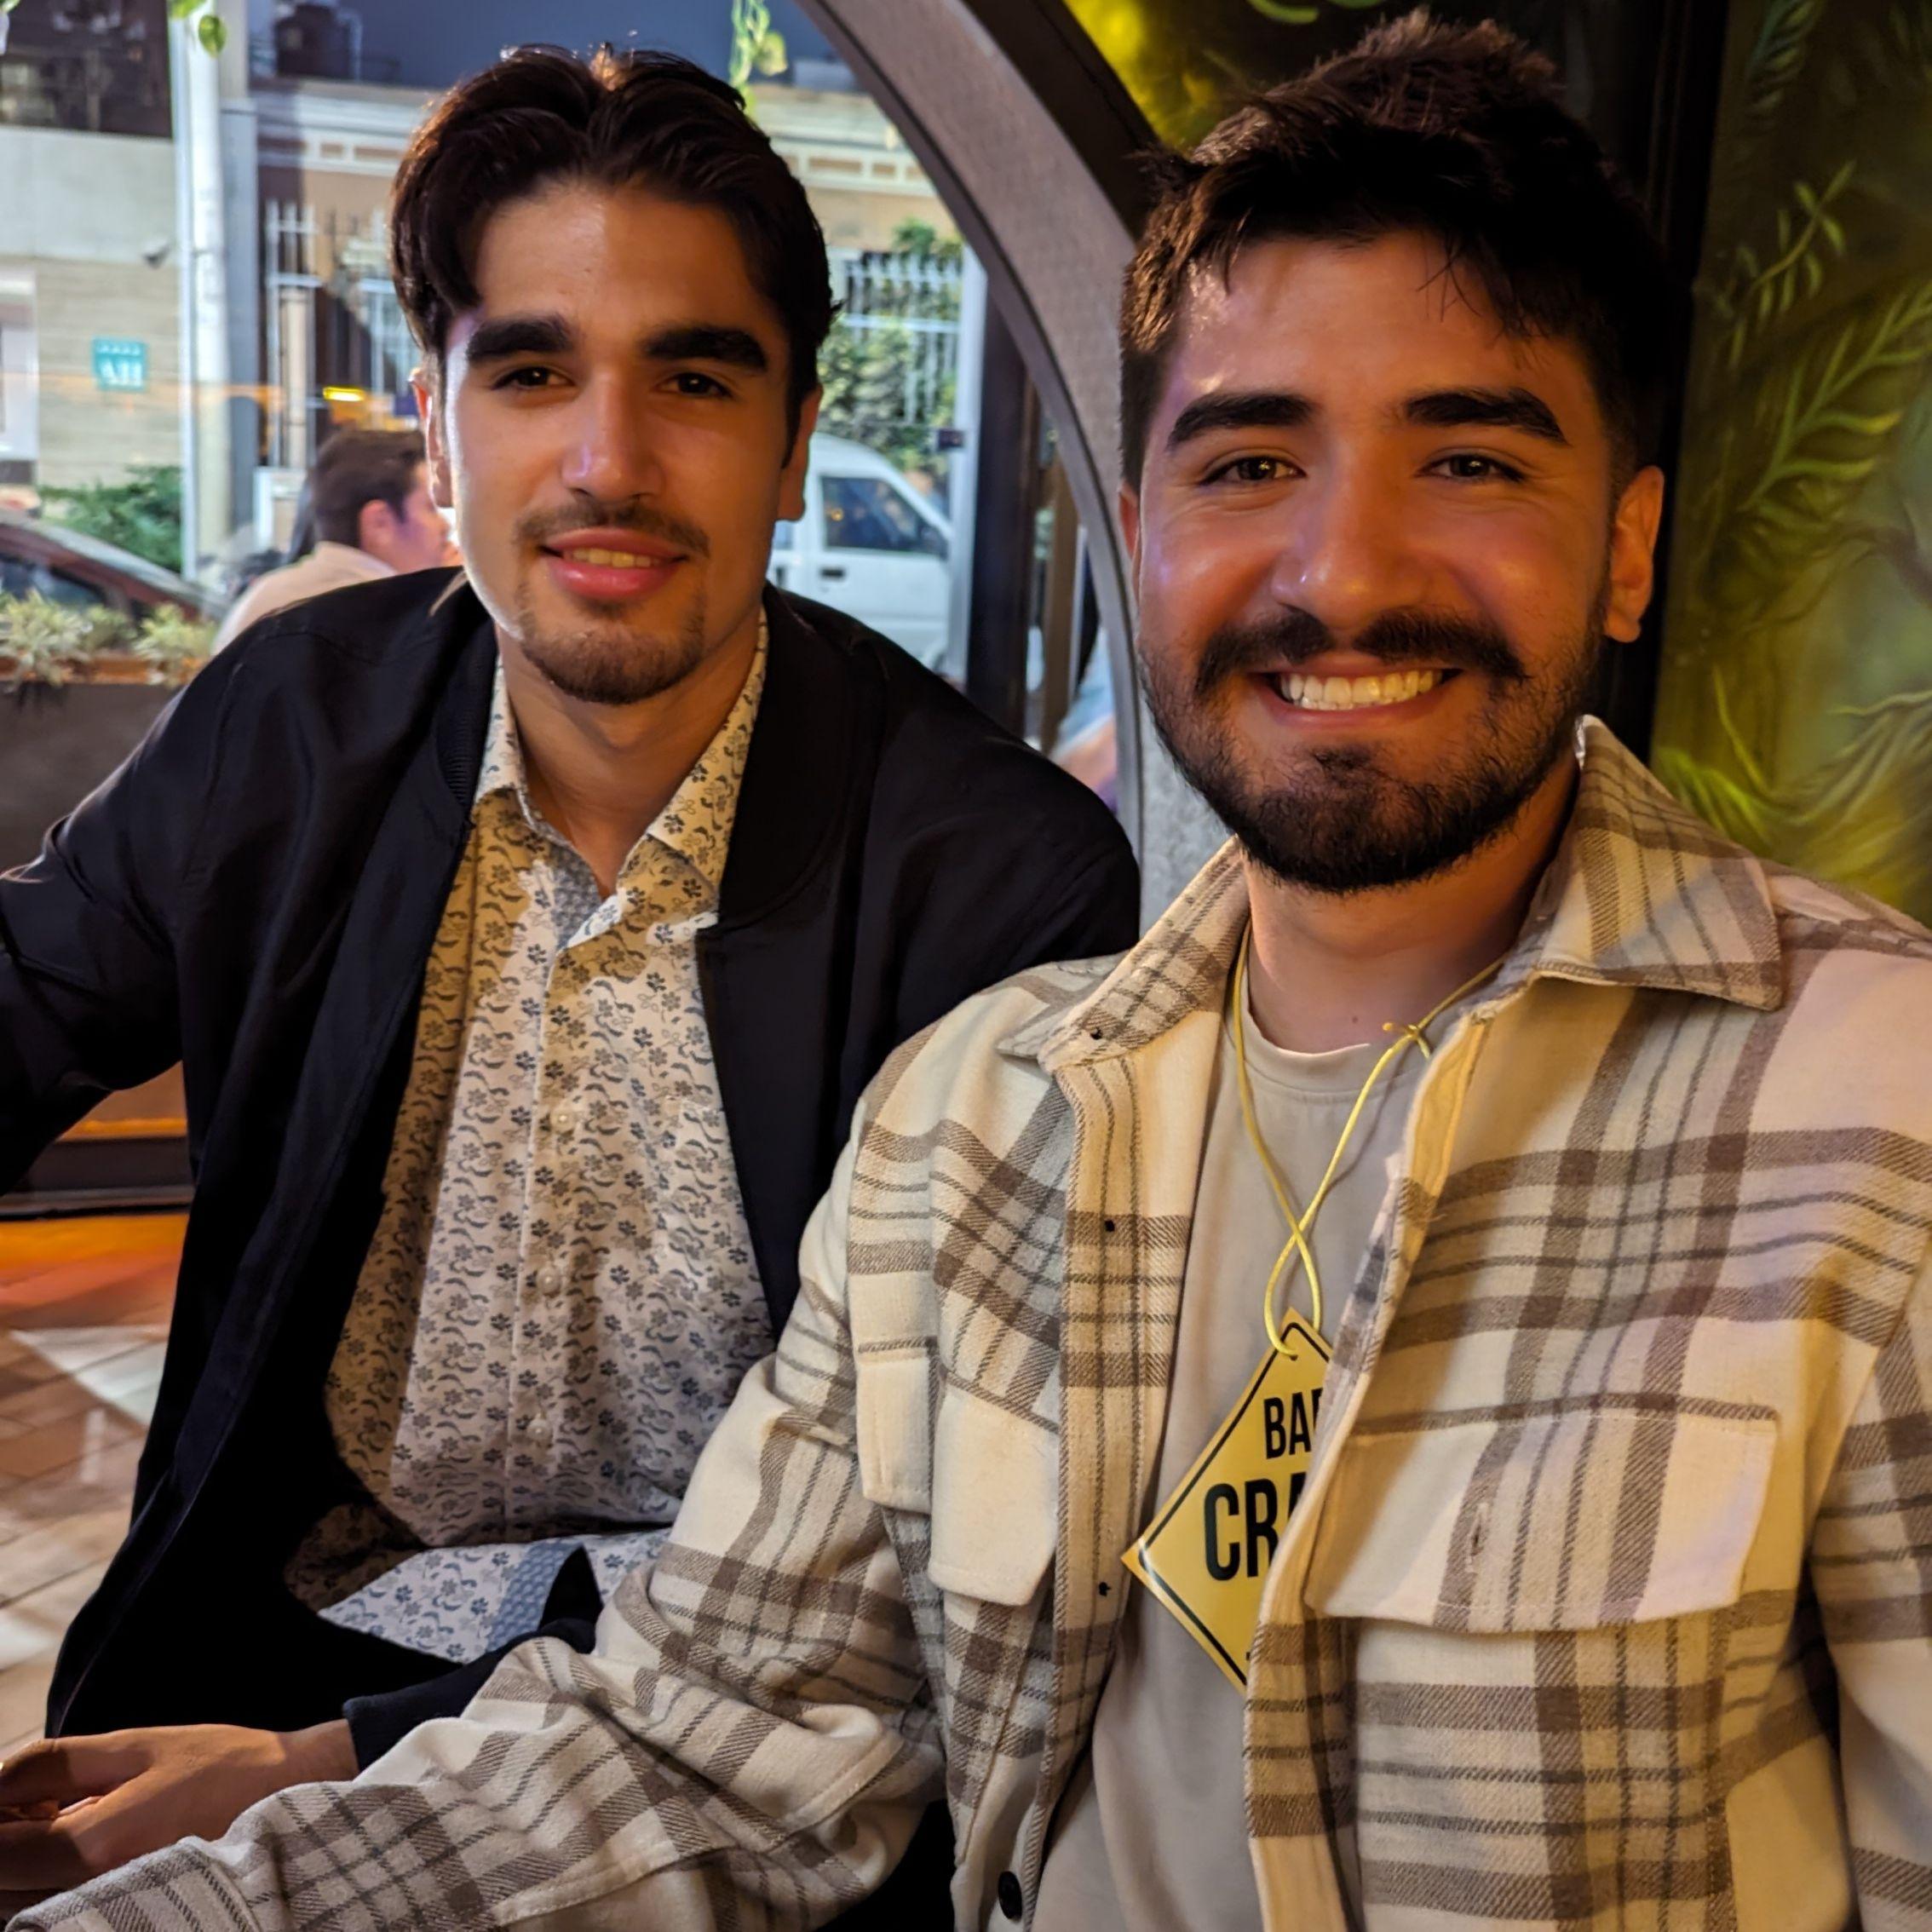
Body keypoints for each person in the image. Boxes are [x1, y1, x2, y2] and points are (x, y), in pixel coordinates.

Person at [14, 14, 1932, 1929]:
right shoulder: (994, 1114)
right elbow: (727, 1732)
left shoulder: (1872, 1127)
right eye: (1251, 460)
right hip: (406, 1680)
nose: (1342, 573)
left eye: (1470, 459)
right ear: (1145, 536)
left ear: (1628, 545)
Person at [0, 45, 1136, 1907]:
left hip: (743, 1724)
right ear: (437, 434)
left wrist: (339, 1766)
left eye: (694, 378)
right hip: (287, 1636)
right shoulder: (300, 727)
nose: (608, 461)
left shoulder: (995, 884)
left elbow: (910, 1561)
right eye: (531, 373)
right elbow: (29, 993)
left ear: (793, 438)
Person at [210, 428, 452, 649]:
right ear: (379, 523)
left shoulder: (271, 590)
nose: (445, 526)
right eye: (431, 508)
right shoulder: (379, 615)